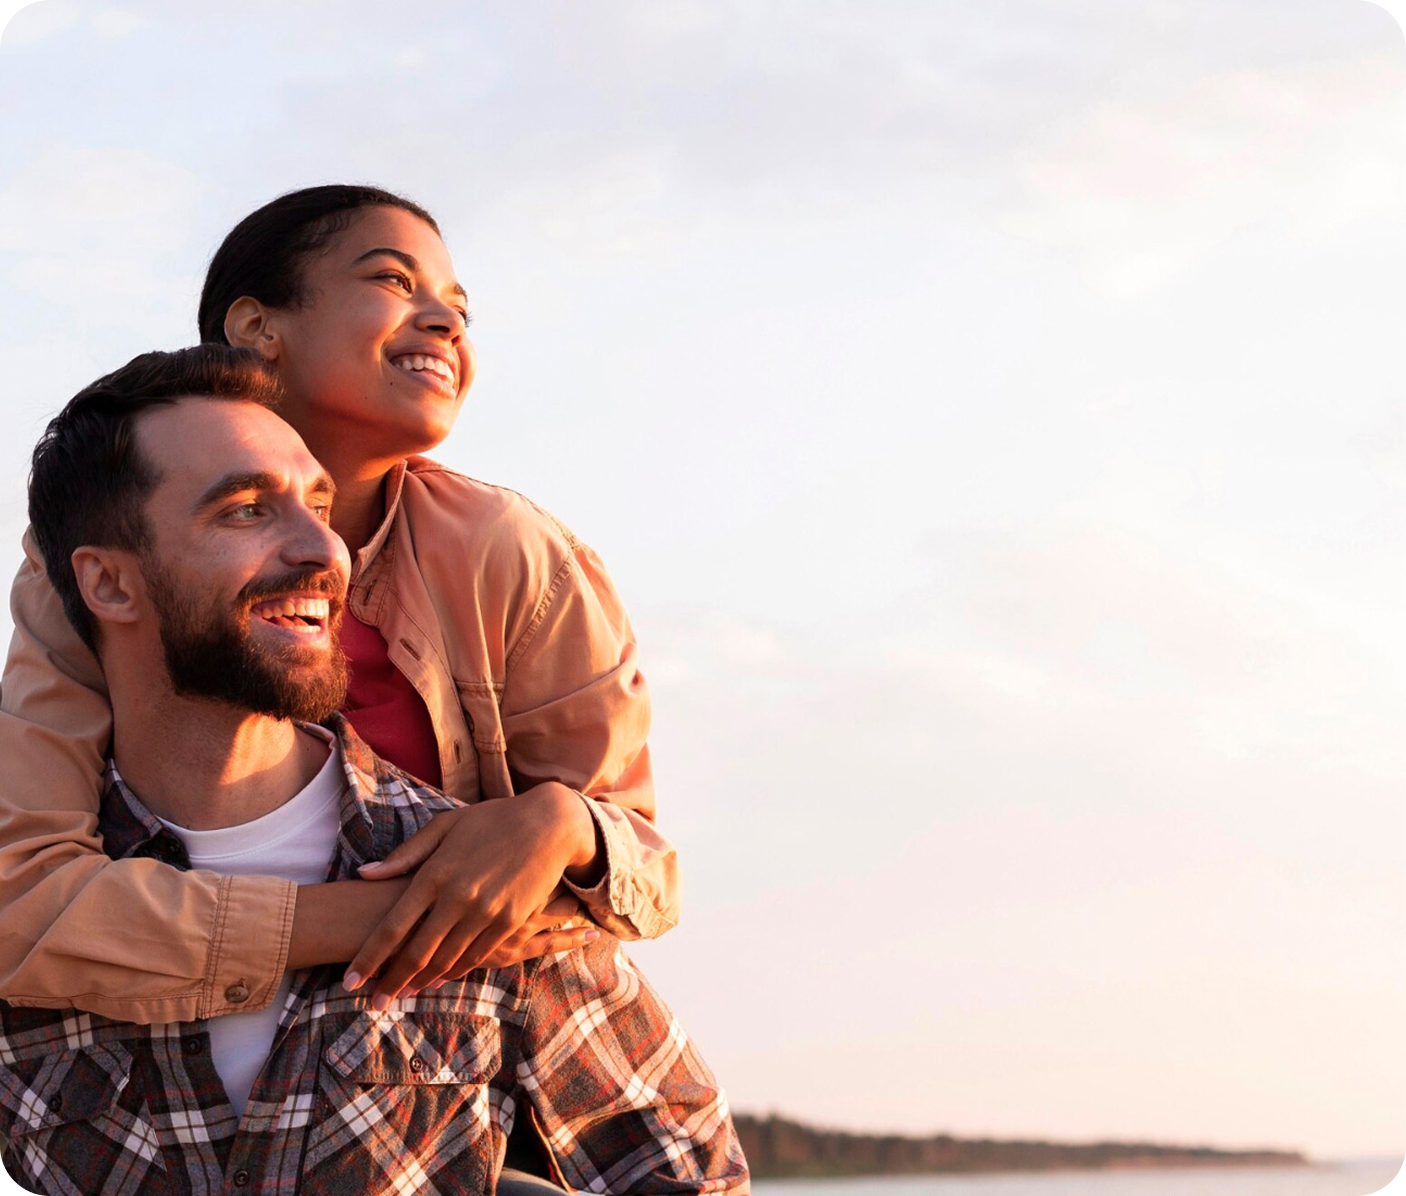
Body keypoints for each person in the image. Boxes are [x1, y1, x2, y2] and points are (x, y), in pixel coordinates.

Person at [0, 346, 747, 1196]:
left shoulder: (484, 889)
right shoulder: (33, 886)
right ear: (106, 583)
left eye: (321, 505)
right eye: (245, 511)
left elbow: (690, 1170)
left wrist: (570, 827)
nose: (323, 549)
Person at [0, 185, 680, 1031]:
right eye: (395, 281)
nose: (445, 321)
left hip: (460, 1068)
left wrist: (558, 825)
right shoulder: (105, 554)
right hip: (161, 1060)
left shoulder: (515, 556)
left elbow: (640, 877)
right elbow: (23, 896)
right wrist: (376, 921)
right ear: (257, 330)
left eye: (459, 306)